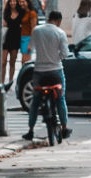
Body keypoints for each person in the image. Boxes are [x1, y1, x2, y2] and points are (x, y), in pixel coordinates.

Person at [25, 10, 72, 141]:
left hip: (39, 72)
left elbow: (30, 48)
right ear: (58, 21)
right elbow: (65, 54)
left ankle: (30, 130)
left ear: (48, 19)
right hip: (55, 71)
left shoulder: (37, 30)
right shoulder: (60, 33)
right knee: (60, 99)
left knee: (35, 101)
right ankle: (64, 128)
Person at [1, 0, 29, 89]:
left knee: (12, 62)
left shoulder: (21, 13)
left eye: (14, 1)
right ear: (9, 3)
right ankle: (2, 81)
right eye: (11, 1)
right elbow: (3, 24)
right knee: (3, 61)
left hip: (16, 39)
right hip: (6, 38)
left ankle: (10, 81)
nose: (12, 3)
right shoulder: (6, 13)